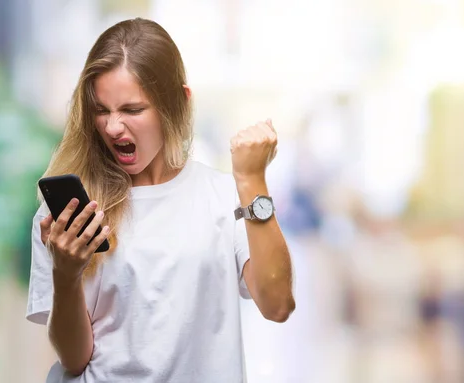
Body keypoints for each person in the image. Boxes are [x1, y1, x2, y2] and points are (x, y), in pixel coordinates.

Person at [26, 18, 295, 382]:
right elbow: (74, 360)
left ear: (179, 103)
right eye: (101, 110)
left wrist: (252, 180)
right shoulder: (70, 213)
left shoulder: (224, 197)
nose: (112, 127)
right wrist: (65, 274)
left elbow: (278, 304)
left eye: (132, 110)